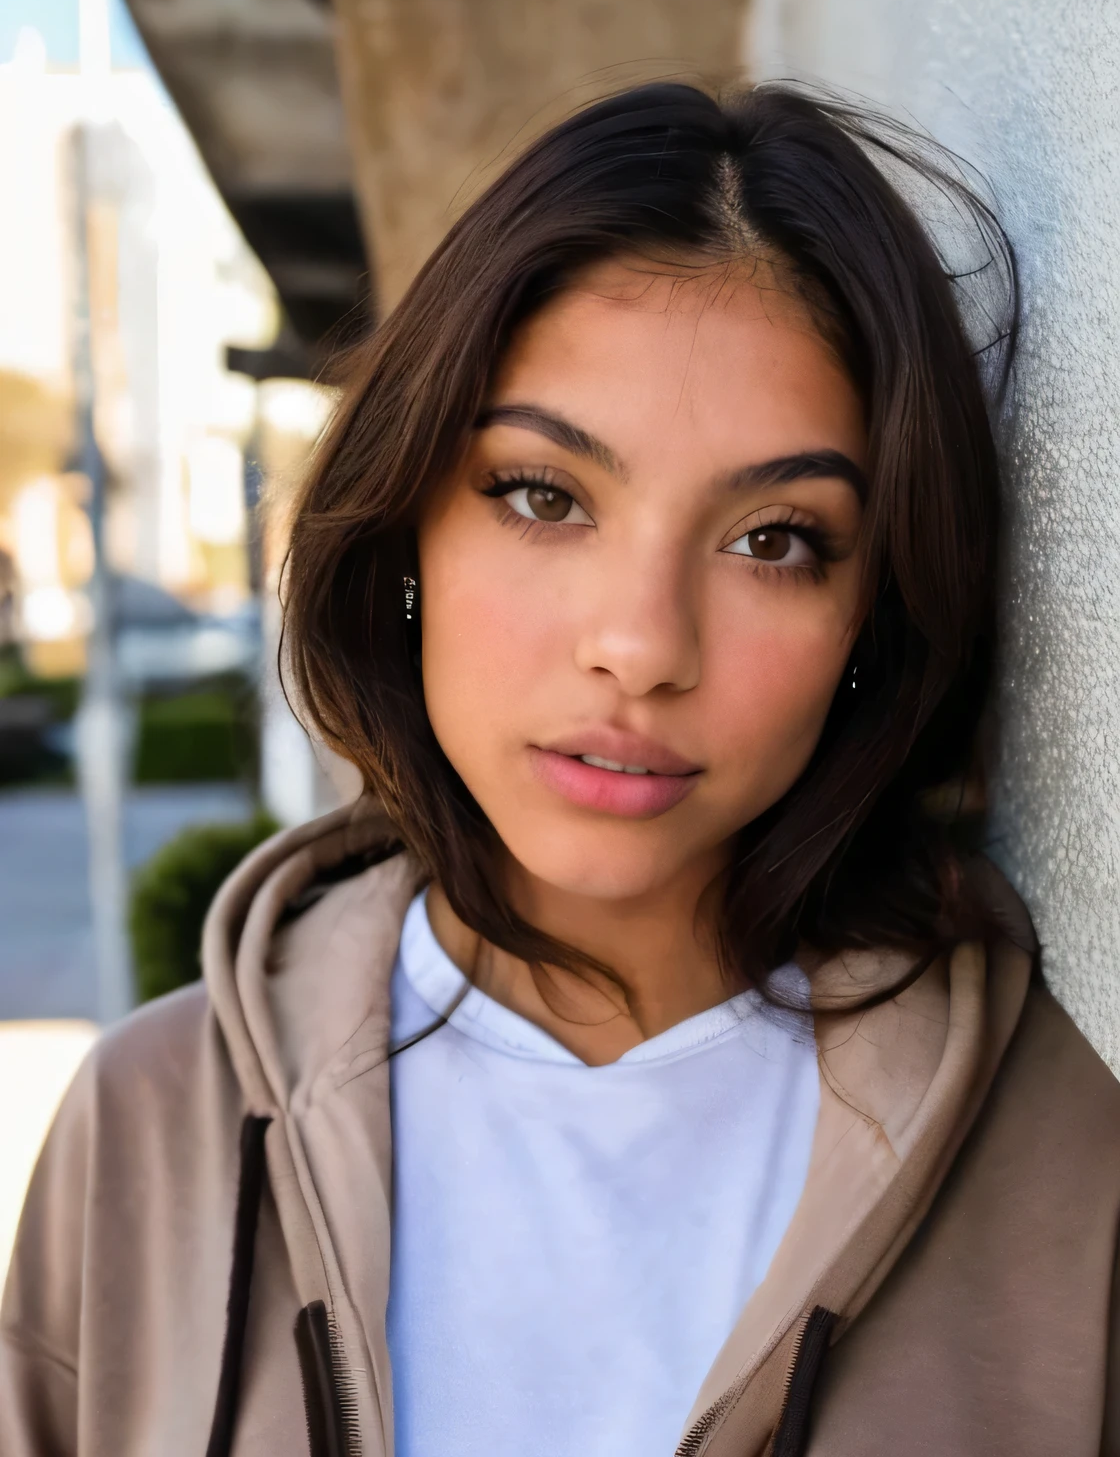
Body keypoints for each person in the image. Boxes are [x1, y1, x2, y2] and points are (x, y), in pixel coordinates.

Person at [3, 81, 1120, 1457]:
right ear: (407, 525)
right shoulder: (147, 1134)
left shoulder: (1073, 1170)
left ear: (873, 619)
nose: (643, 646)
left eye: (776, 538)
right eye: (543, 496)